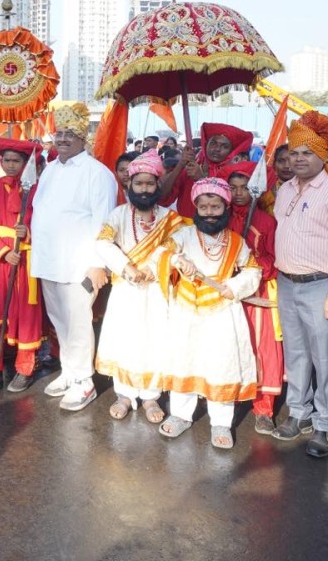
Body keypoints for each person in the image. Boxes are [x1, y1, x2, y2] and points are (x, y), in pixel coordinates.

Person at [271, 111, 328, 459]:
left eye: (307, 153)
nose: (299, 159)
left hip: (321, 285)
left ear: (323, 155)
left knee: (324, 358)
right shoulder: (285, 190)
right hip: (287, 283)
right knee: (295, 353)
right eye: (294, 153)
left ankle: (325, 423)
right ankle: (298, 412)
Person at [158, 177, 261, 448]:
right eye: (203, 207)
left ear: (225, 207)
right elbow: (161, 255)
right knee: (185, 359)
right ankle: (180, 415)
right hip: (186, 308)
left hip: (222, 310)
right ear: (196, 208)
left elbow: (253, 270)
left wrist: (234, 286)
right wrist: (177, 259)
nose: (209, 213)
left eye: (215, 207)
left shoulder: (237, 242)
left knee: (221, 364)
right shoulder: (183, 235)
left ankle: (221, 423)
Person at [30, 103, 118, 412]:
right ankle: (69, 372)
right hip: (49, 261)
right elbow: (40, 210)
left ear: (83, 137)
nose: (63, 139)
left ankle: (84, 381)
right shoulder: (51, 169)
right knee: (60, 322)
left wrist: (98, 263)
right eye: (60, 133)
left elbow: (105, 222)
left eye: (70, 134)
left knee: (78, 324)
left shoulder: (98, 173)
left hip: (80, 264)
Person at [94, 151, 188, 426]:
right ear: (130, 185)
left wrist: (153, 267)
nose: (144, 189)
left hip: (157, 291)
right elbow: (102, 243)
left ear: (158, 185)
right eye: (139, 184)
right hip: (126, 289)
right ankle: (124, 395)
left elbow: (178, 248)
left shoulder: (171, 219)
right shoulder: (119, 214)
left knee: (154, 341)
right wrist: (126, 267)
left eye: (149, 183)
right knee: (125, 339)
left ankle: (150, 397)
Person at [0, 138, 45, 392]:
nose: (11, 165)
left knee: (26, 315)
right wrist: (3, 251)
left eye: (16, 161)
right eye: (7, 160)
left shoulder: (37, 190)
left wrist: (29, 232)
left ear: (26, 163)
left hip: (26, 261)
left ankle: (25, 368)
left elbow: (47, 223)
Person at [223, 162, 284, 436]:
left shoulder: (267, 222)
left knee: (262, 348)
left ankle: (264, 409)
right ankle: (228, 401)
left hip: (258, 293)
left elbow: (274, 259)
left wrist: (250, 265)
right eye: (233, 188)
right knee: (231, 346)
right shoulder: (219, 217)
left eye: (244, 188)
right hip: (226, 292)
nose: (238, 193)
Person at [161, 122, 253, 217]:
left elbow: (229, 209)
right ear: (205, 145)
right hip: (185, 225)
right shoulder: (189, 169)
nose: (217, 149)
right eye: (213, 143)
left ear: (231, 151)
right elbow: (162, 198)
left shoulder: (233, 175)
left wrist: (201, 180)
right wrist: (181, 164)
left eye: (225, 146)